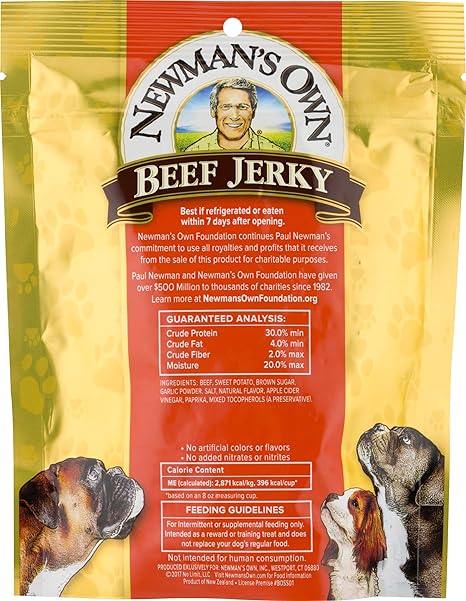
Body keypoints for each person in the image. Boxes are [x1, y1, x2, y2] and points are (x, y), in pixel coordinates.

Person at [184, 78, 284, 152]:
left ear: (253, 111)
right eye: (226, 107)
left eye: (242, 107)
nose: (235, 116)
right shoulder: (193, 151)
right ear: (213, 110)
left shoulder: (275, 152)